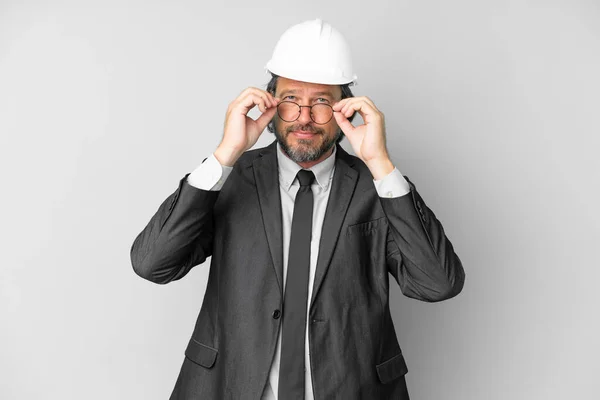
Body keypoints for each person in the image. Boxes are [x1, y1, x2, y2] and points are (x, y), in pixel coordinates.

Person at [131, 19, 465, 400]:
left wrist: (381, 163)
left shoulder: (377, 189)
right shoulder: (230, 180)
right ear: (270, 103)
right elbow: (152, 263)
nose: (304, 117)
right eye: (291, 100)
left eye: (322, 101)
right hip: (231, 388)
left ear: (345, 109)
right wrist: (225, 154)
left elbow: (438, 283)